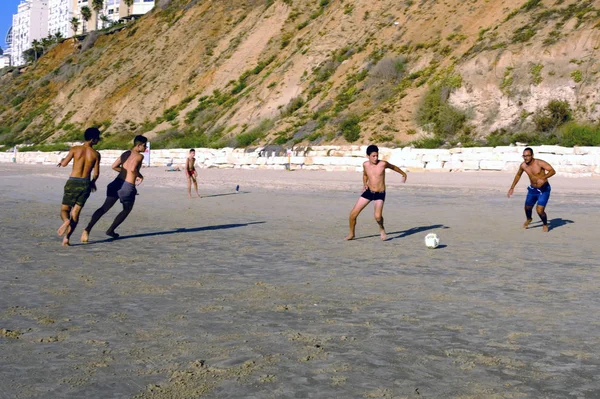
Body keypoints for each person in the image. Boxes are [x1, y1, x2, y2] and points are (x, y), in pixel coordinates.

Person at [81, 135, 147, 242]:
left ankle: (87, 229)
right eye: (144, 146)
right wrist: (139, 175)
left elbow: (114, 166)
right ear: (138, 145)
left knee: (104, 208)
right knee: (126, 209)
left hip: (116, 183)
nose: (145, 148)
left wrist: (124, 172)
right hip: (127, 186)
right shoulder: (140, 156)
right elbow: (134, 168)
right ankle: (110, 230)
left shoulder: (126, 153)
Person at [345, 144, 407, 241]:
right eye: (373, 156)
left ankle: (381, 228)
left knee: (377, 217)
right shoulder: (365, 164)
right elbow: (365, 175)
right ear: (368, 156)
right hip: (369, 192)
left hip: (380, 193)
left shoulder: (383, 164)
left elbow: (393, 167)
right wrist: (365, 183)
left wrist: (403, 174)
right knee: (353, 214)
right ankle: (351, 234)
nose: (376, 158)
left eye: (377, 155)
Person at [56, 127, 101, 246]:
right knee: (75, 213)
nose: (98, 141)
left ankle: (66, 221)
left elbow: (64, 164)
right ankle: (66, 238)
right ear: (93, 139)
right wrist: (93, 182)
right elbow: (96, 173)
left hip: (73, 182)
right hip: (85, 183)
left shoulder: (75, 149)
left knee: (65, 209)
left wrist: (61, 161)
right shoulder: (96, 154)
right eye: (98, 139)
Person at [507, 147, 556, 232]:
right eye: (524, 156)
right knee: (527, 208)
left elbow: (552, 171)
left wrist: (543, 178)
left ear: (532, 155)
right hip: (532, 190)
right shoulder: (523, 165)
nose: (526, 158)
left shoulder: (539, 163)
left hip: (543, 190)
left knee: (540, 210)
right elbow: (518, 175)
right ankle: (529, 219)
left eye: (528, 156)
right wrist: (512, 187)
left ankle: (545, 224)